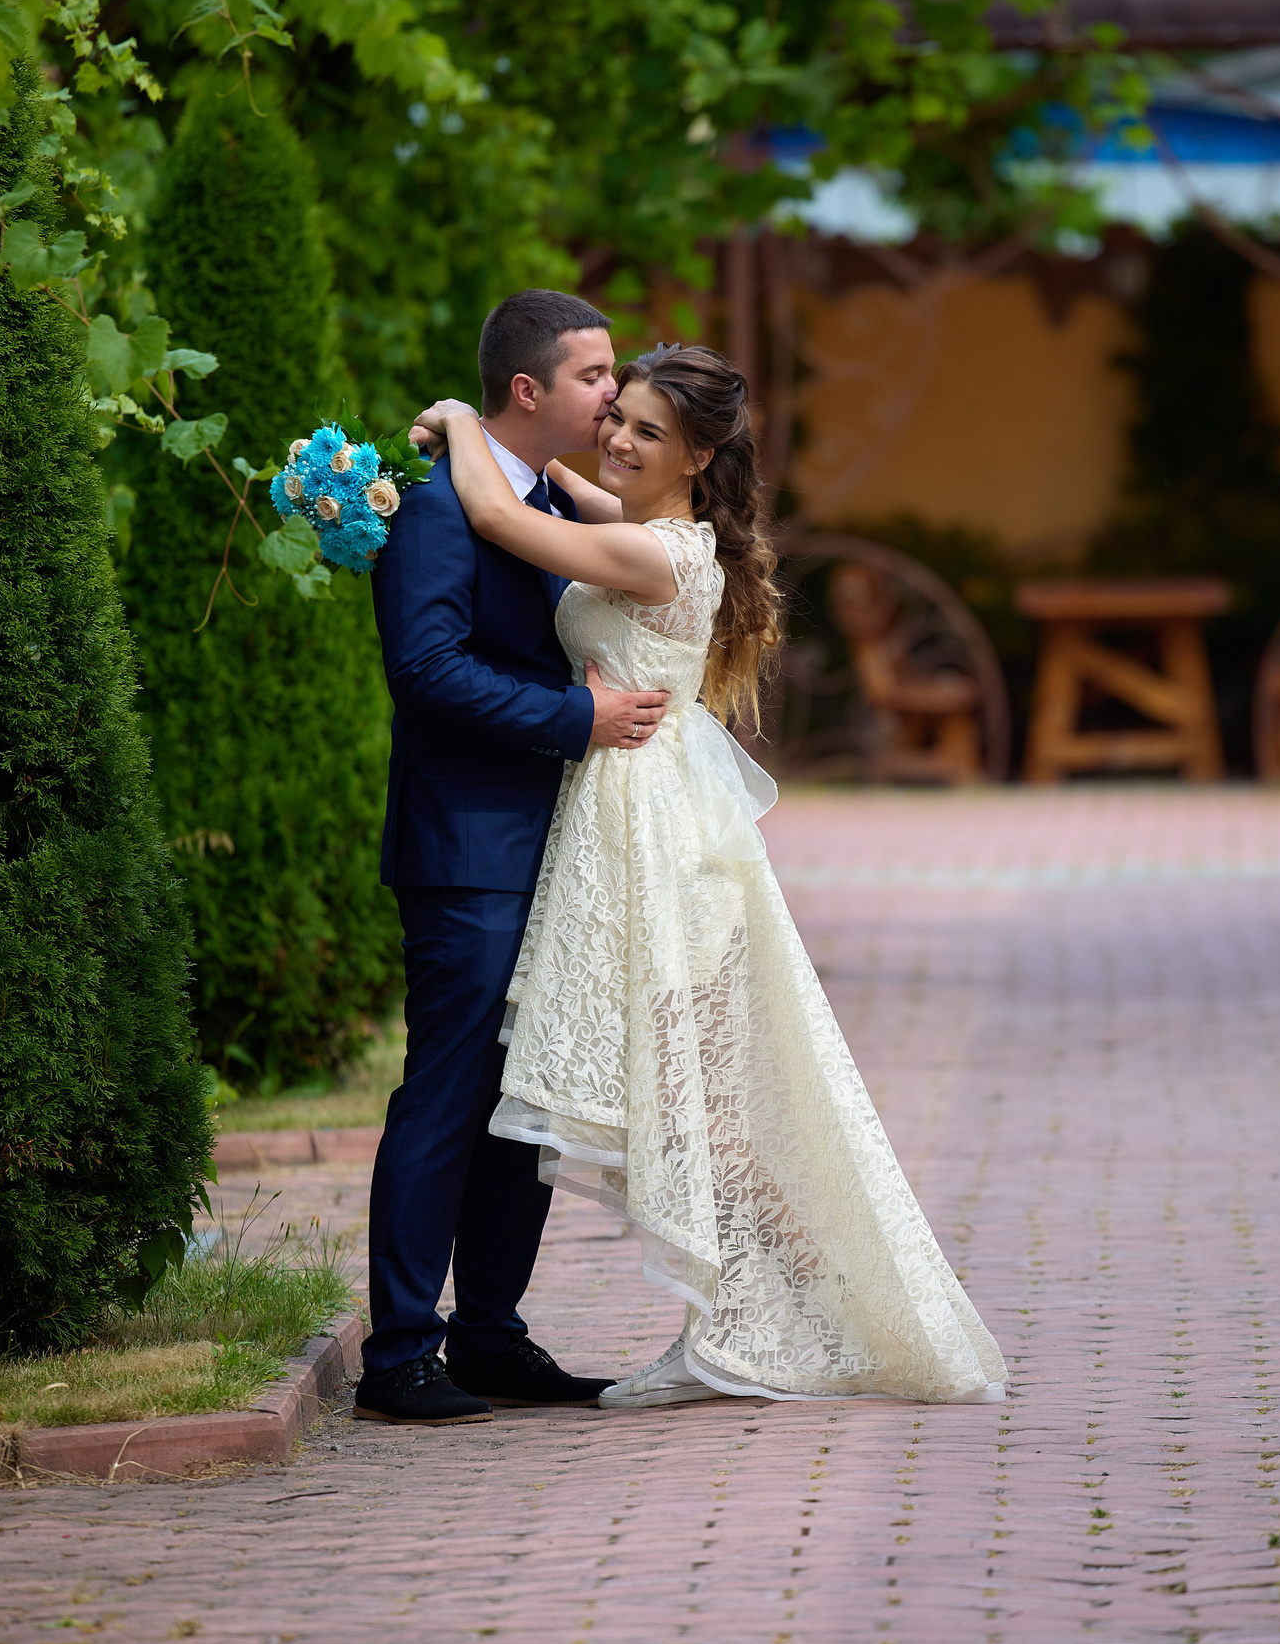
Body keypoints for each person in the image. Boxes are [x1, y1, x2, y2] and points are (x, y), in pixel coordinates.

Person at [410, 345, 1006, 1406]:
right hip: (634, 812)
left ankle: (794, 1312)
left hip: (655, 833)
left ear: (696, 453)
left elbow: (505, 521)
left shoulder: (661, 557)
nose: (619, 438)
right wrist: (522, 456)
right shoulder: (651, 527)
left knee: (696, 1099)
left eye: (646, 429)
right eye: (618, 417)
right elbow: (558, 490)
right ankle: (757, 1315)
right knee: (686, 1097)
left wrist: (462, 421)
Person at [354, 291, 674, 1427]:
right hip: (468, 851)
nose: (614, 395)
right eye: (596, 377)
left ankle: (489, 1333)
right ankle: (398, 1352)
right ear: (529, 390)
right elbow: (425, 672)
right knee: (445, 1095)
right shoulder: (442, 510)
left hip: (559, 851)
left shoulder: (543, 500)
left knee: (519, 1106)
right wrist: (570, 718)